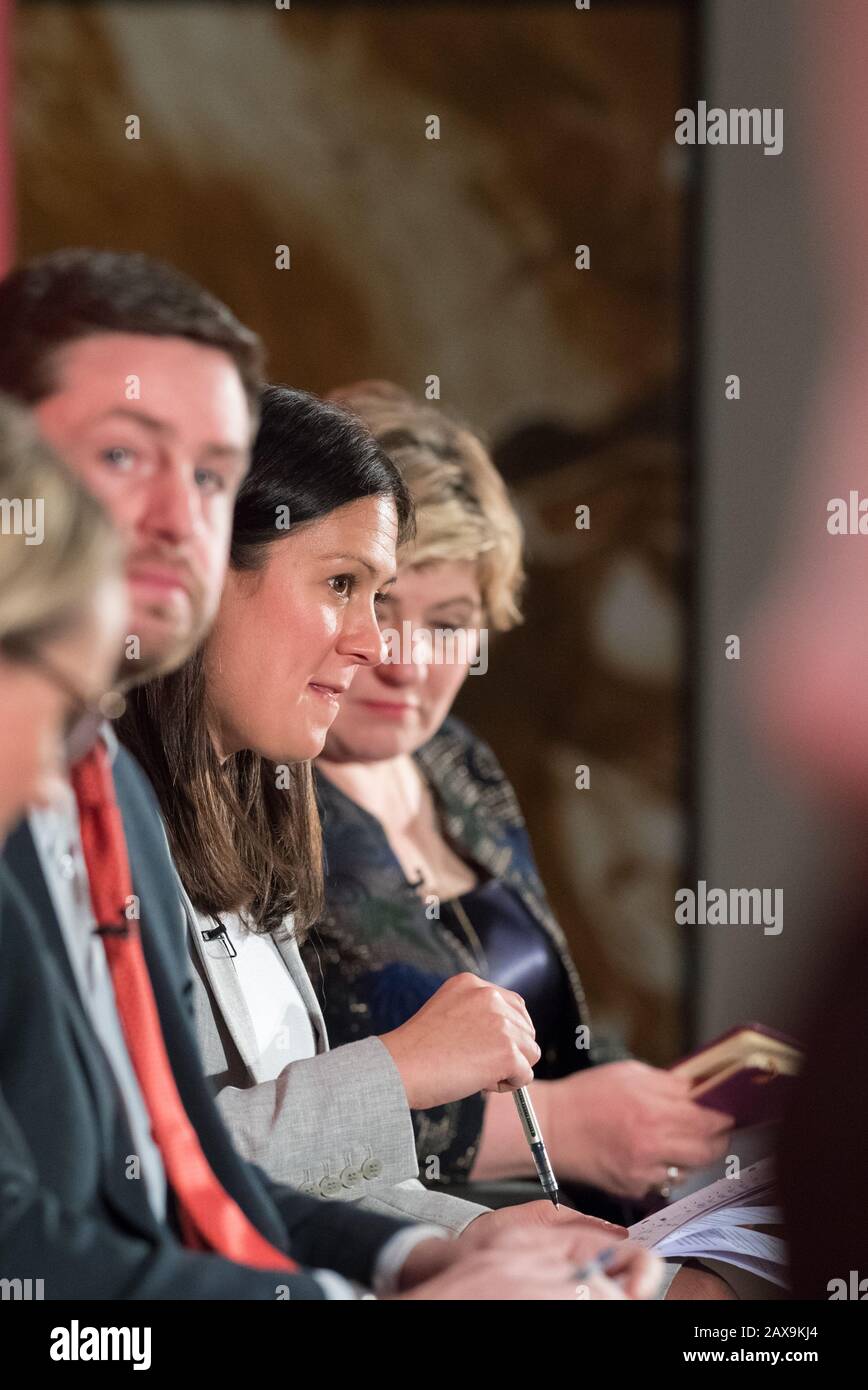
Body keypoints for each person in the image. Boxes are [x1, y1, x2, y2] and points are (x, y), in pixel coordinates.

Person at [0, 247, 654, 1299]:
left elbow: (190, 1173)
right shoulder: (114, 788)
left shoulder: (122, 790)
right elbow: (43, 1242)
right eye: (127, 457)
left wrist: (440, 1250)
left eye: (212, 476)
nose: (183, 521)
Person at [306, 381, 733, 1219]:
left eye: (451, 622)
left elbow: (552, 1018)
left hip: (582, 1225)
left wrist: (641, 1099)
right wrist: (566, 1126)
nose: (409, 663)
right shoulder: (248, 793)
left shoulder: (460, 762)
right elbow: (262, 1126)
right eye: (380, 606)